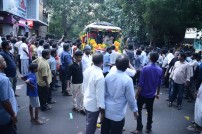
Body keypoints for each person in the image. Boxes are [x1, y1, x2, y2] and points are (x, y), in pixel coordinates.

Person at [101, 55, 138, 134]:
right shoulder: (127, 80)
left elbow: (103, 93)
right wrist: (135, 110)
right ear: (127, 66)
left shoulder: (108, 76)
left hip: (106, 111)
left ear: (115, 64)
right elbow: (131, 98)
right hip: (118, 113)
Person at [133, 52, 163, 134]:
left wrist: (136, 95)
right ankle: (148, 128)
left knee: (138, 110)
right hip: (152, 95)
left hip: (142, 94)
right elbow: (159, 83)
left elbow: (141, 84)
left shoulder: (145, 68)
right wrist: (157, 93)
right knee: (150, 111)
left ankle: (139, 128)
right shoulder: (160, 70)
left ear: (149, 58)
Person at [83, 53, 105, 134]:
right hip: (93, 105)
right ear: (102, 62)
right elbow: (100, 96)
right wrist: (102, 111)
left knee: (89, 123)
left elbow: (84, 85)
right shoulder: (99, 76)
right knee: (91, 127)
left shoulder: (87, 70)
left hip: (87, 100)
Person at [0, 55, 18, 134]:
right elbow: (5, 101)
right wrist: (13, 114)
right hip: (5, 118)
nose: (5, 61)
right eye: (3, 60)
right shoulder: (3, 80)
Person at [67, 50, 85, 114]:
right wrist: (68, 86)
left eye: (81, 57)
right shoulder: (71, 66)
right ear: (75, 57)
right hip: (74, 83)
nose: (81, 58)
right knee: (74, 96)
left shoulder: (81, 63)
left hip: (81, 82)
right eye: (79, 57)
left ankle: (81, 108)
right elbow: (68, 77)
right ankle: (75, 106)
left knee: (82, 95)